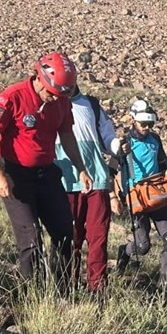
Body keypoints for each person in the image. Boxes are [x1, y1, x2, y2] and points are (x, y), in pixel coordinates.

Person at [0, 51, 92, 282]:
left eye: (61, 94)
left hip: (47, 175)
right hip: (16, 177)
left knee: (64, 233)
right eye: (51, 93)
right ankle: (32, 294)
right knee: (31, 240)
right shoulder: (13, 96)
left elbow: (67, 135)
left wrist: (81, 168)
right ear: (39, 78)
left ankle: (62, 291)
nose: (55, 98)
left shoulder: (61, 102)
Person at [55, 83, 119, 291]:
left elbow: (107, 135)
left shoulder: (90, 104)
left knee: (98, 236)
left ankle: (97, 286)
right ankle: (67, 283)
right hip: (66, 181)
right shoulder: (52, 105)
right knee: (70, 236)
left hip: (97, 179)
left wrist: (117, 146)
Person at [115, 98, 167, 290]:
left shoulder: (155, 139)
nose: (147, 128)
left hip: (157, 194)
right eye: (144, 124)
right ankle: (124, 252)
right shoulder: (125, 142)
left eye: (150, 124)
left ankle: (165, 283)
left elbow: (162, 161)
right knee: (143, 247)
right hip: (137, 198)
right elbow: (112, 166)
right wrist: (115, 196)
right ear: (133, 120)